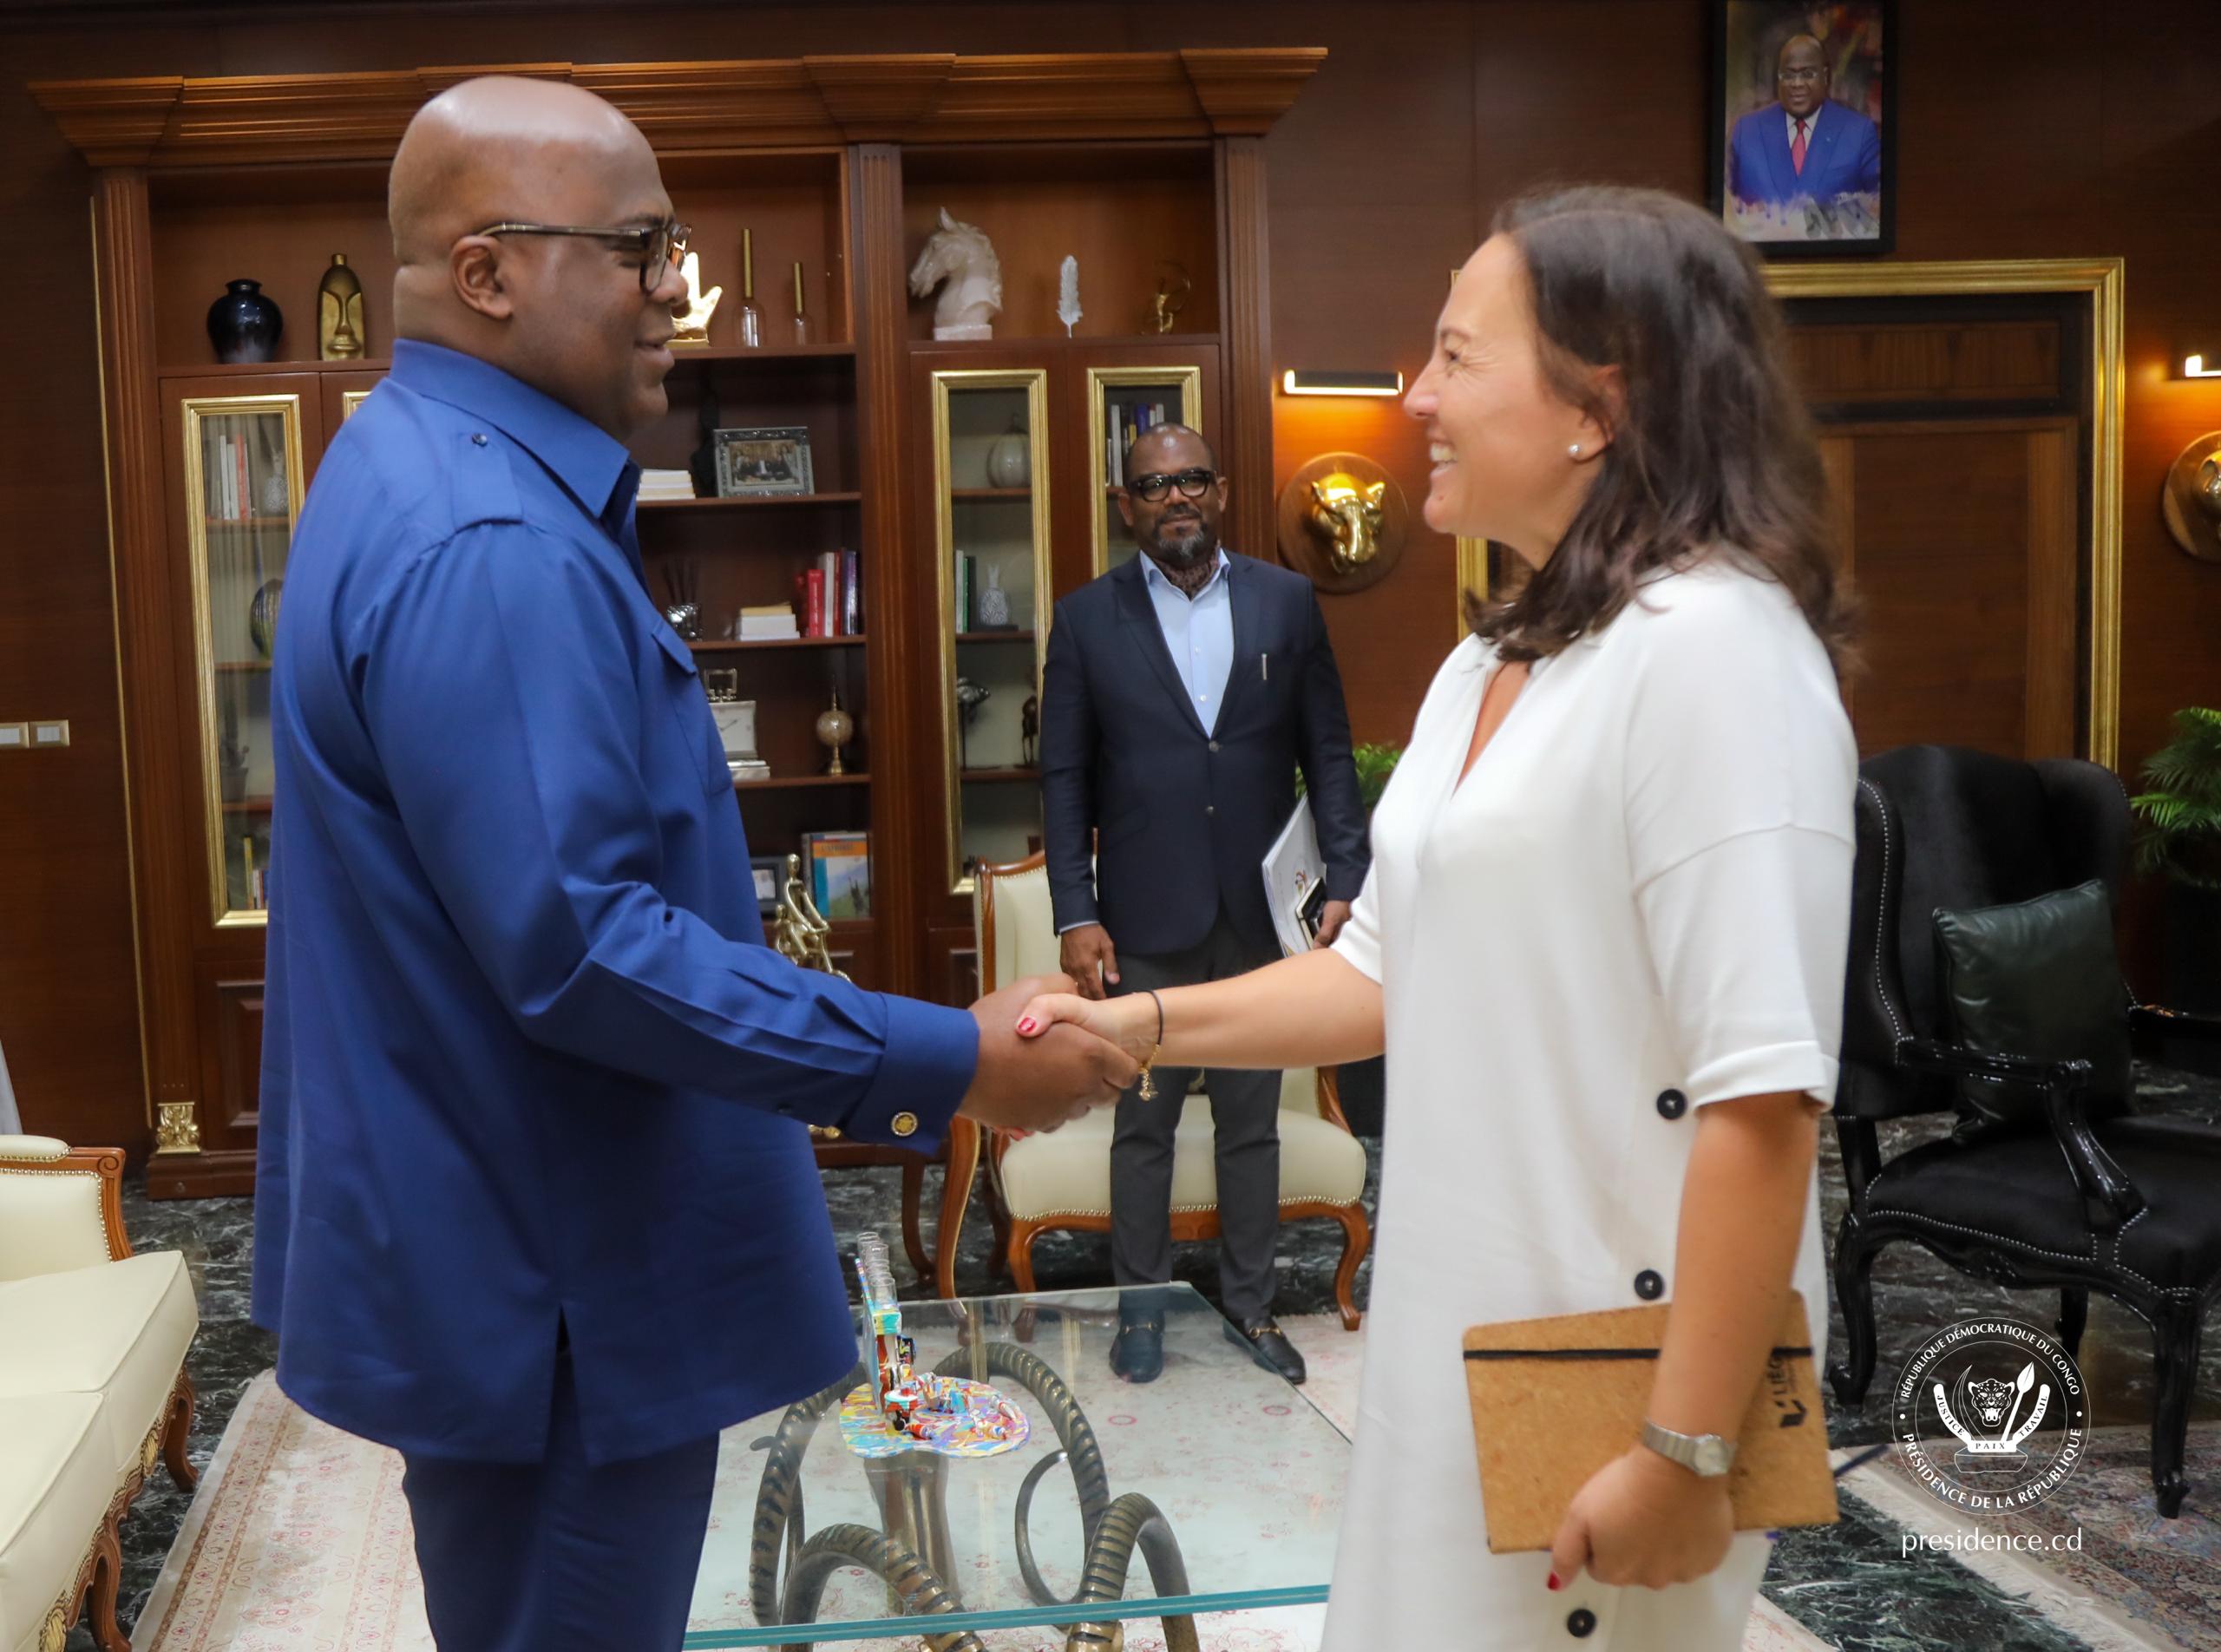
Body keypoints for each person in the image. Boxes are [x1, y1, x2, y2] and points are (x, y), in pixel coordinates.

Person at [251, 76, 1133, 1652]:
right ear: (488, 271)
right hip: (561, 1295)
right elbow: (584, 947)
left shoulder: (410, 463)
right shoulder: (493, 542)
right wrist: (947, 1059)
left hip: (505, 1264)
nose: (680, 289)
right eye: (642, 248)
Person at [1015, 185, 1857, 1648]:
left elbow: (1765, 1097)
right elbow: (1375, 971)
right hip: (1453, 1319)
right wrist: (1130, 1026)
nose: (1414, 398)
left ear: (1599, 404)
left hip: (1616, 1367)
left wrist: (1687, 1446)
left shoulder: (1719, 651)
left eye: (1457, 357)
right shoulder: (1495, 657)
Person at [1038, 423, 1369, 1386]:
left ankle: (1252, 1309)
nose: (1175, 497)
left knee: (1251, 1125)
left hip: (1260, 919)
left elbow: (1328, 752)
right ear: (1126, 505)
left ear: (1219, 492)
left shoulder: (1286, 601)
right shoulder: (1086, 620)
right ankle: (1141, 1314)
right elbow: (1064, 779)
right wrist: (1074, 911)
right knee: (1142, 1127)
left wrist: (1347, 880)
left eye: (1190, 480)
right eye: (1153, 485)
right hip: (1144, 919)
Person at [1727, 33, 1881, 213]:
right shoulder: (1746, 131)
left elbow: (1876, 210)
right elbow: (1726, 208)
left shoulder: (1859, 132)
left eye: (1808, 74)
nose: (1797, 83)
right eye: (1788, 75)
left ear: (1825, 76)